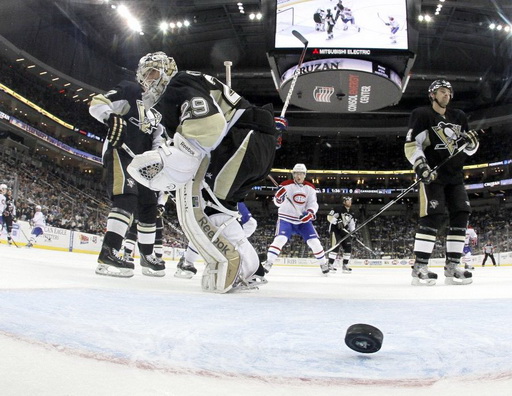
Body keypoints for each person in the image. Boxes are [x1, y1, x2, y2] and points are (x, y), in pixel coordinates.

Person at [127, 51, 277, 293]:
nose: (148, 81)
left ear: (166, 69)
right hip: (252, 140)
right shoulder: (187, 83)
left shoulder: (178, 83)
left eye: (151, 73)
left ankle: (242, 267)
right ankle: (252, 271)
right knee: (220, 208)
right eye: (144, 78)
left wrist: (173, 160)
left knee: (210, 209)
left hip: (244, 140)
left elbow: (209, 124)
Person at [89, 76, 166, 278]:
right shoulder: (129, 90)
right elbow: (98, 103)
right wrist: (110, 116)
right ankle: (109, 250)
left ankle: (147, 256)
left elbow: (159, 140)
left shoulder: (159, 113)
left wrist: (158, 160)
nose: (155, 81)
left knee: (150, 205)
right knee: (127, 197)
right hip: (120, 151)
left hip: (143, 164)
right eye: (152, 74)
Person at [404, 79, 479, 286]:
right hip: (433, 175)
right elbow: (412, 145)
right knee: (433, 216)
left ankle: (452, 265)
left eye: (449, 92)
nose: (447, 95)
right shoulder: (421, 114)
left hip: (455, 176)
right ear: (432, 95)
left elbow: (467, 148)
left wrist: (473, 144)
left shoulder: (459, 116)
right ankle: (420, 266)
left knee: (461, 214)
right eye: (442, 91)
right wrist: (421, 166)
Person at [263, 164, 328, 275]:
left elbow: (313, 203)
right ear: (293, 174)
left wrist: (310, 213)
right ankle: (269, 262)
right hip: (286, 218)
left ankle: (323, 263)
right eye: (296, 173)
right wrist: (278, 197)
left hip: (302, 220)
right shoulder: (285, 185)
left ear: (304, 175)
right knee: (280, 239)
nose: (299, 176)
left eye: (301, 173)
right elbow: (278, 203)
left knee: (314, 242)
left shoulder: (310, 188)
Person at [175, 201, 259, 279]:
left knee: (200, 230)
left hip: (213, 213)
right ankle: (240, 258)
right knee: (203, 230)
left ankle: (188, 262)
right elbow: (250, 223)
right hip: (227, 215)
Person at [327, 196, 355, 273]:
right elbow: (329, 217)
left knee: (348, 247)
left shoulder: (351, 212)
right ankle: (330, 264)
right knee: (335, 247)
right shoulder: (337, 209)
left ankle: (345, 265)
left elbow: (351, 224)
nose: (350, 202)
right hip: (335, 230)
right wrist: (337, 222)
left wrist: (353, 232)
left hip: (344, 232)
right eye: (348, 200)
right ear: (344, 202)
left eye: (350, 200)